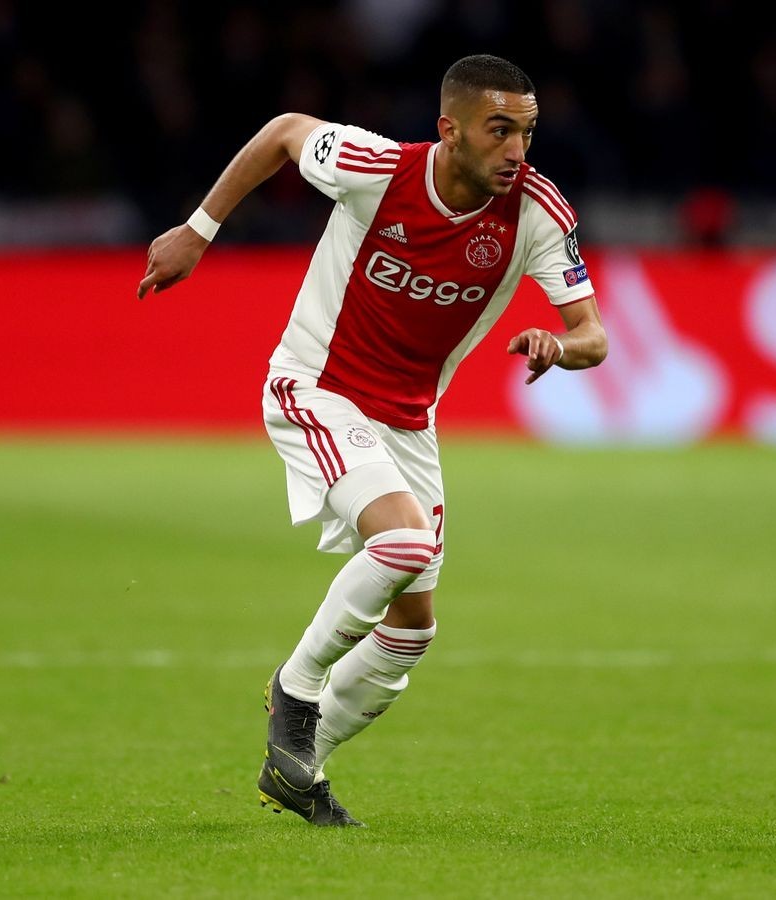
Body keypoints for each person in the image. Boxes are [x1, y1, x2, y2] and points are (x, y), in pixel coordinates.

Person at [136, 54, 607, 827]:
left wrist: (560, 345)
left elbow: (594, 335)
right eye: (499, 130)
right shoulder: (375, 168)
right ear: (449, 129)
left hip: (408, 421)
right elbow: (285, 131)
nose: (516, 150)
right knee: (407, 543)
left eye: (526, 132)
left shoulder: (536, 211)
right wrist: (198, 230)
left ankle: (299, 766)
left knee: (412, 630)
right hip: (316, 387)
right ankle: (295, 688)